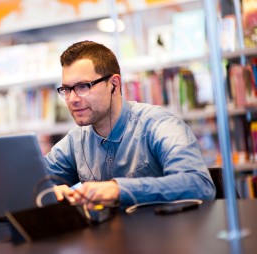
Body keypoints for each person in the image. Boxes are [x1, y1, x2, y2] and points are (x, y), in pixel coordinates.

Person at [44, 40, 215, 209]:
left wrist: (119, 189)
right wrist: (50, 192)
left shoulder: (158, 124)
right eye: (66, 89)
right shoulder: (76, 140)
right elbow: (33, 183)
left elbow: (199, 184)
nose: (72, 99)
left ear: (114, 85)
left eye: (83, 86)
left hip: (166, 233)